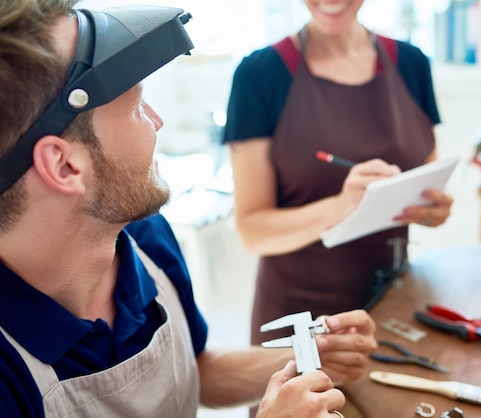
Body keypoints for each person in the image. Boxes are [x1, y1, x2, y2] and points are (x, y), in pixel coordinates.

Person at [0, 1, 377, 417]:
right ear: (65, 164)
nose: (156, 121)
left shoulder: (143, 237)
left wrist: (315, 352)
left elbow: (199, 372)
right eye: (136, 106)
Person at [223, 0, 454, 346]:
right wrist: (340, 206)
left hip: (392, 305)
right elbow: (252, 229)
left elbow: (423, 182)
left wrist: (432, 210)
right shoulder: (260, 75)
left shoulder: (412, 64)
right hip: (301, 321)